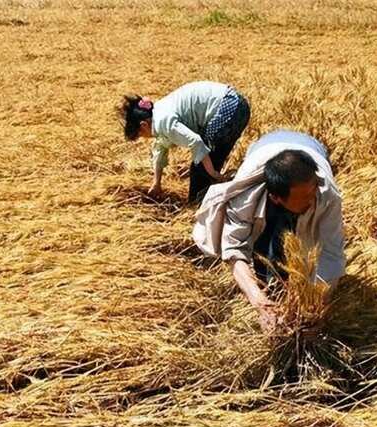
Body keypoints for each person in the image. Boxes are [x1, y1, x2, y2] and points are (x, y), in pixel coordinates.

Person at [192, 130, 345, 333]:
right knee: (266, 239)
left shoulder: (325, 193)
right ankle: (270, 282)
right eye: (305, 197)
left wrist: (315, 304)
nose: (313, 199)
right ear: (275, 198)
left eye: (313, 190)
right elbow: (234, 250)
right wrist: (261, 303)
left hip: (310, 149)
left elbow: (330, 254)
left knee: (303, 237)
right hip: (262, 148)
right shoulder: (244, 197)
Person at [118, 81, 251, 203]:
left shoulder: (163, 122)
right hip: (235, 106)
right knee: (207, 162)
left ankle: (197, 208)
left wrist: (212, 173)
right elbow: (160, 148)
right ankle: (211, 200)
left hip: (230, 108)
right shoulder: (158, 113)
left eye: (141, 135)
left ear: (144, 125)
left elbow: (196, 142)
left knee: (201, 168)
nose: (145, 138)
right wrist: (156, 183)